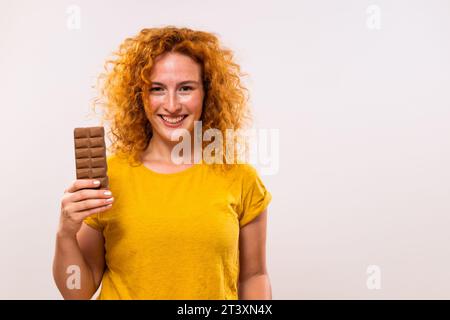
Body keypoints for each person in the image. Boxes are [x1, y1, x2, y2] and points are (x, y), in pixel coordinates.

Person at [53, 26, 273, 300]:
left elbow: (254, 275)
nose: (171, 105)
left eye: (185, 89)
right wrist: (66, 232)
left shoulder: (241, 179)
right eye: (157, 89)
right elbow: (78, 291)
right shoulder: (107, 179)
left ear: (208, 93)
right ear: (139, 96)